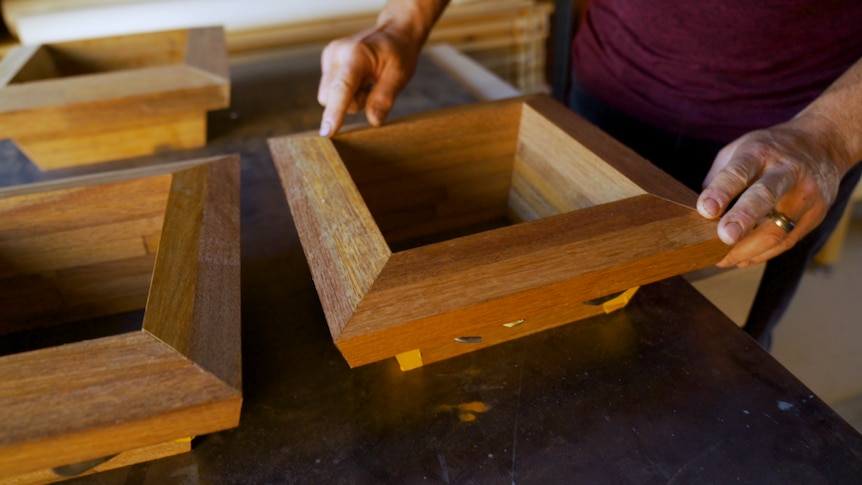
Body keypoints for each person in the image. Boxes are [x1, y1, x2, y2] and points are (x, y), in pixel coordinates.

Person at [316, 0, 862, 347]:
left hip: (788, 149)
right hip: (602, 99)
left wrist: (832, 137)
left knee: (718, 365)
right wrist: (403, 20)